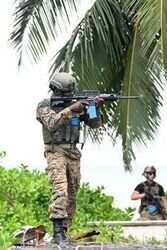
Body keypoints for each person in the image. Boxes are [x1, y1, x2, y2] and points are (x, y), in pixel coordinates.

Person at [36, 72, 104, 245]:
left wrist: (94, 108)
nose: (70, 96)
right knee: (60, 190)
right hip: (55, 151)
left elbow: (95, 124)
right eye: (67, 93)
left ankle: (64, 232)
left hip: (73, 153)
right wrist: (71, 109)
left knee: (73, 193)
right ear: (57, 90)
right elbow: (51, 124)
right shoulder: (45, 105)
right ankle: (57, 233)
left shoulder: (75, 104)